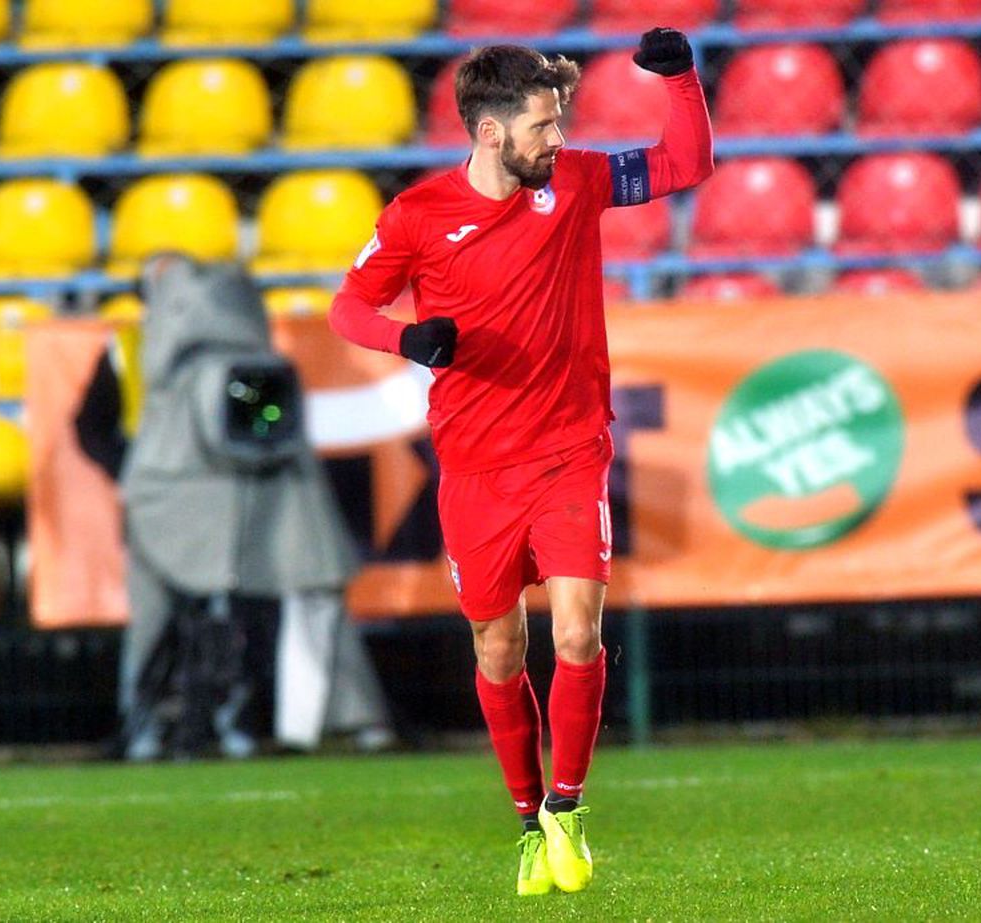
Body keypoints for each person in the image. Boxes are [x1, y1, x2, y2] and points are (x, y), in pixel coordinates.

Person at [329, 28, 713, 895]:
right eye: (544, 124)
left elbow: (685, 165)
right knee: (499, 646)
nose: (560, 138)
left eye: (560, 121)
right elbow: (348, 308)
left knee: (578, 631)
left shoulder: (573, 182)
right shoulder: (419, 217)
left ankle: (567, 810)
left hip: (571, 449)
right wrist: (408, 338)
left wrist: (681, 81)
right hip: (473, 467)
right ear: (492, 133)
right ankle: (526, 821)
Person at [77, 254, 394, 761]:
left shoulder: (257, 366)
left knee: (269, 613)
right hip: (168, 495)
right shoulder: (128, 347)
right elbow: (90, 425)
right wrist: (136, 470)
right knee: (157, 621)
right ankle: (148, 726)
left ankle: (258, 723)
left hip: (239, 494)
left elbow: (266, 425)